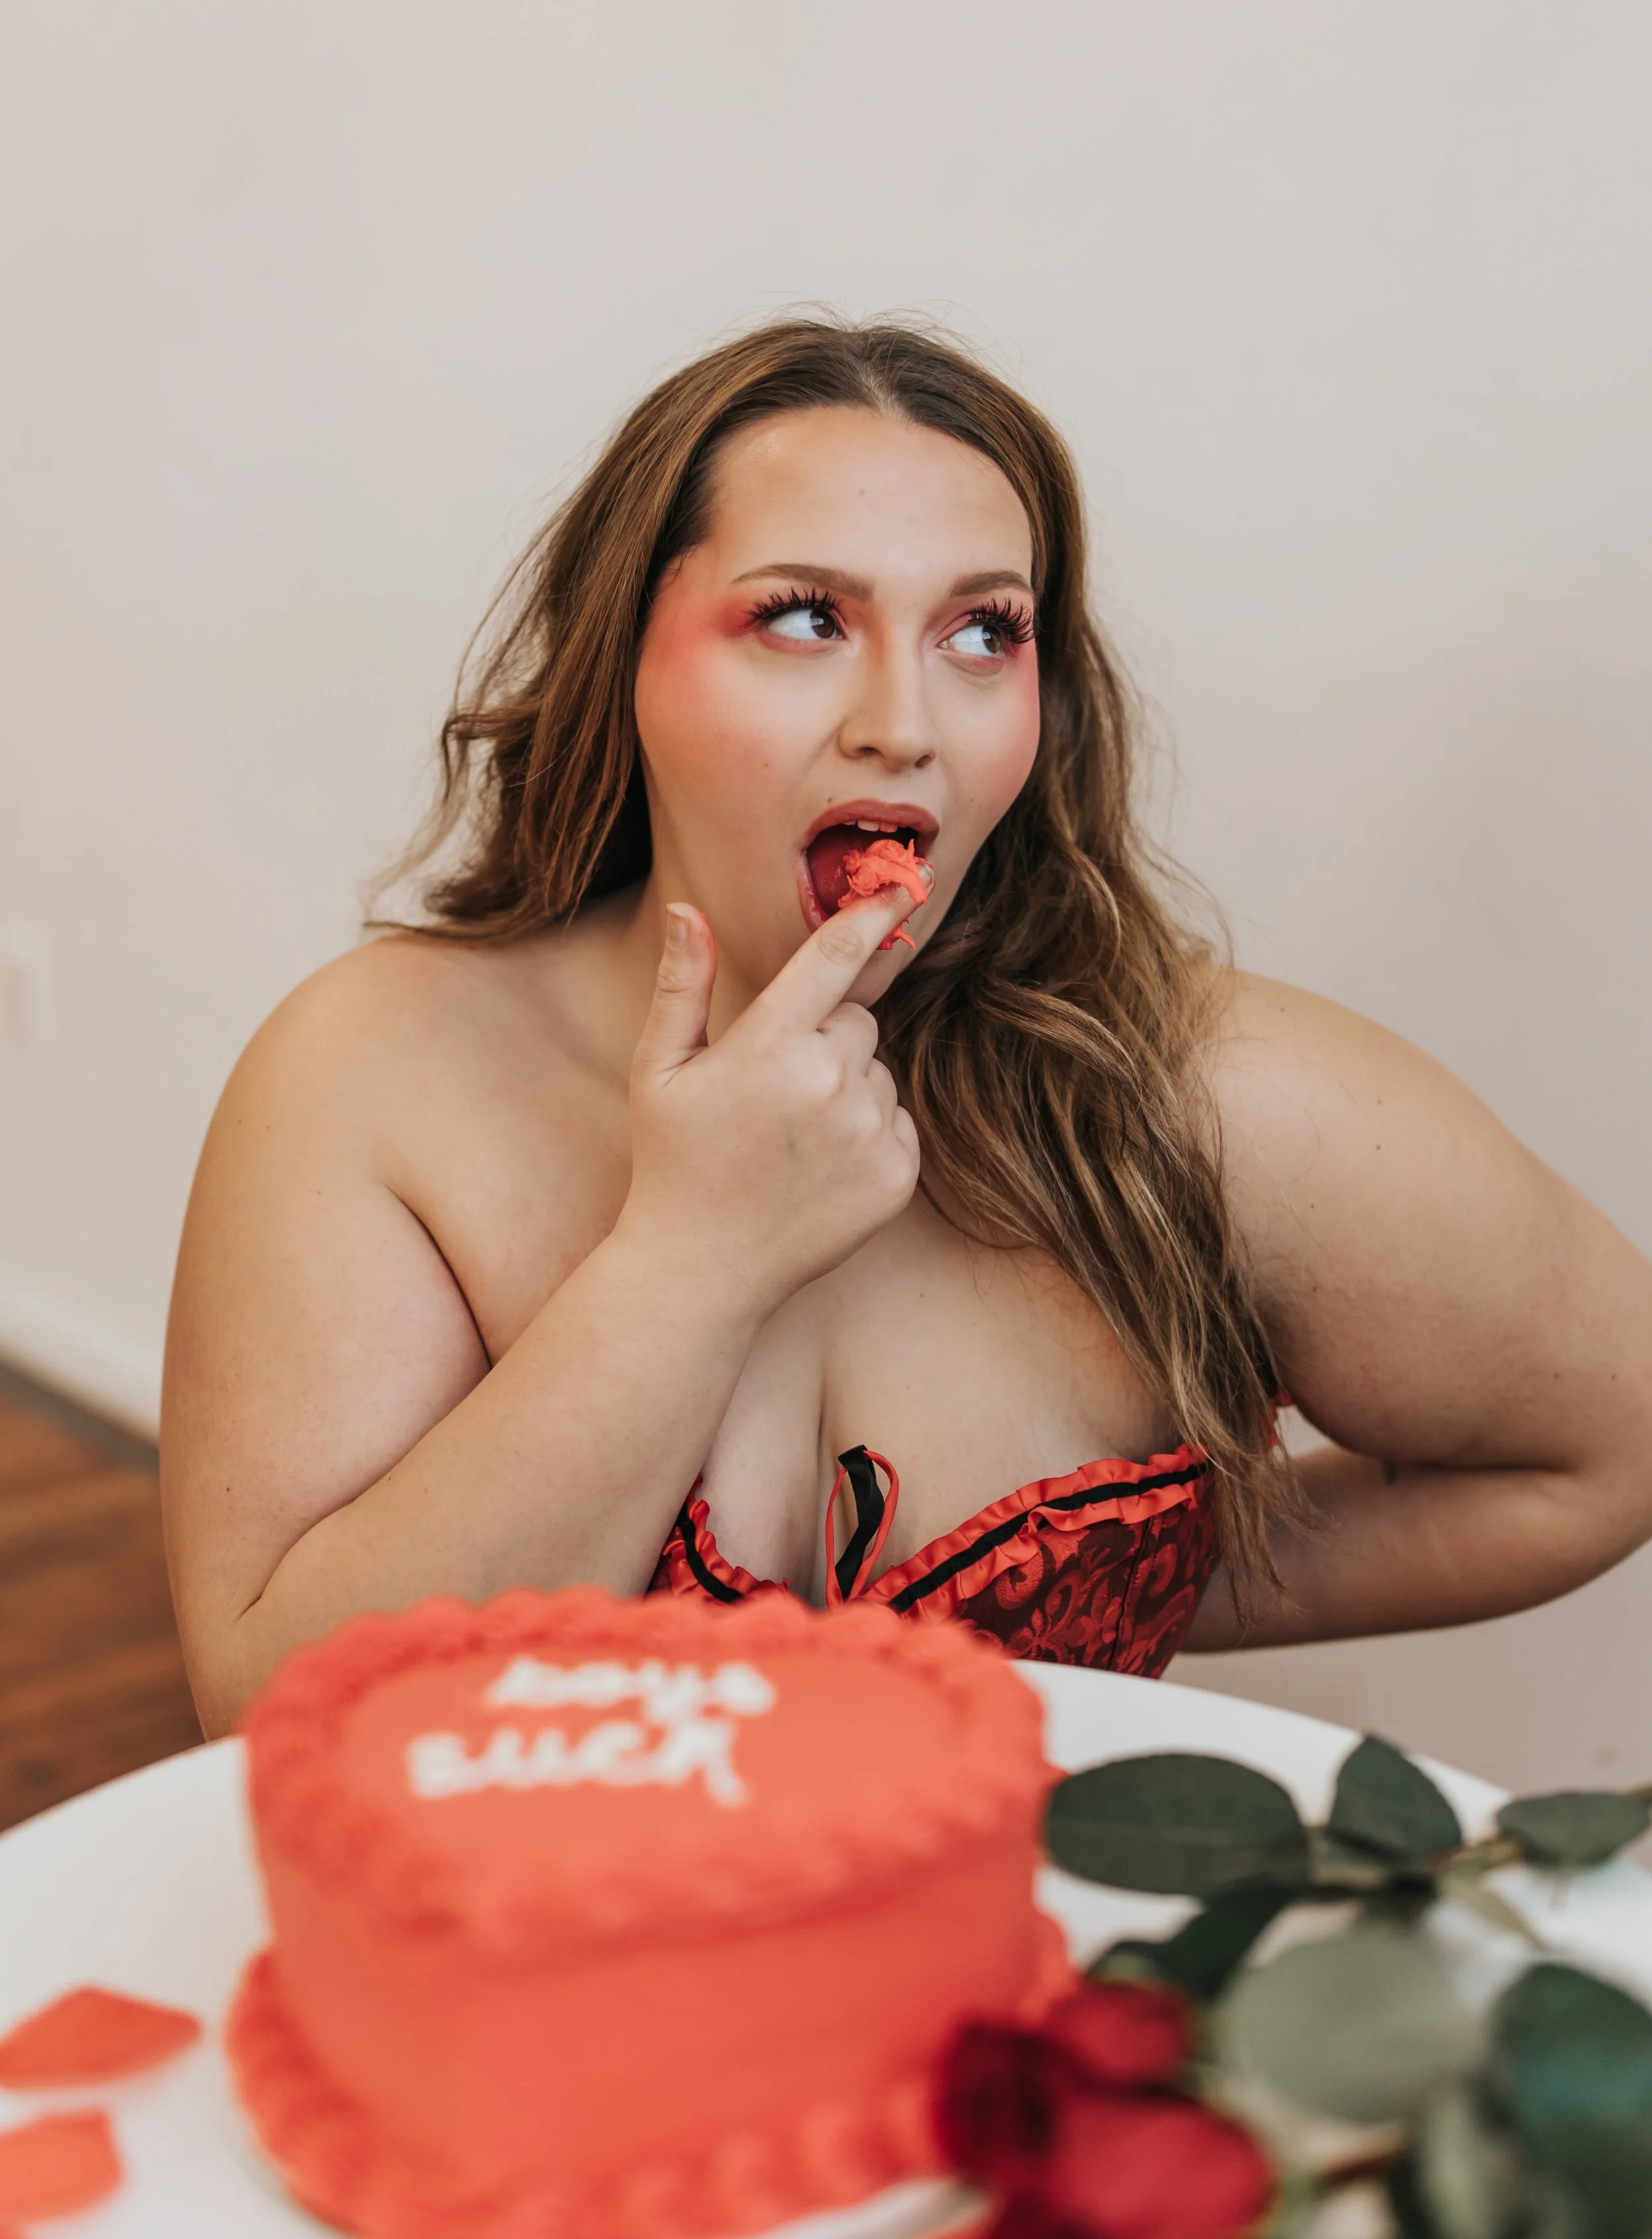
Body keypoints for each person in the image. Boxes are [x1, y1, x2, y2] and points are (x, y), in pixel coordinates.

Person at [161, 319, 1652, 1734]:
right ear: (624, 660)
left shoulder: (1204, 1097)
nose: (906, 721)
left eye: (981, 633)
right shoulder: (374, 1074)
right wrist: (688, 1267)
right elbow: (279, 1715)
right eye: (804, 616)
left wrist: (1139, 1598)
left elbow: (1607, 1443)